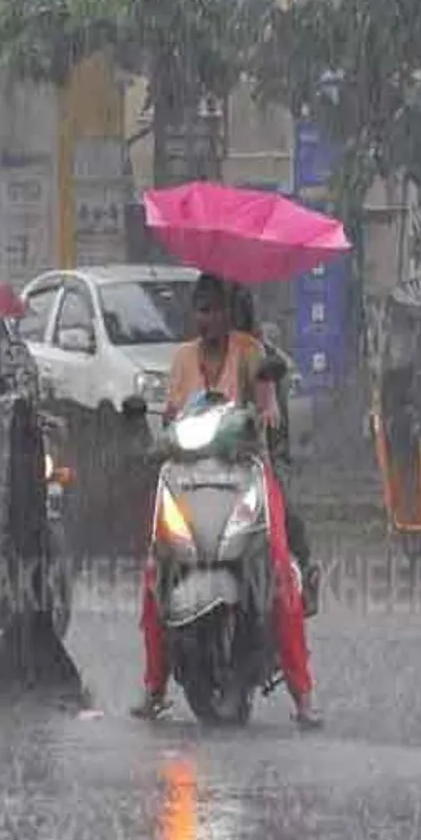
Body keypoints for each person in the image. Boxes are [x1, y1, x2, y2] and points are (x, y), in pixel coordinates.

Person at [131, 273, 322, 729]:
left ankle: (303, 695)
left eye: (215, 309)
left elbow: (269, 403)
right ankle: (154, 687)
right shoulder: (181, 359)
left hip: (246, 472)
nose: (207, 319)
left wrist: (266, 407)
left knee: (280, 572)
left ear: (228, 312)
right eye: (200, 310)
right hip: (191, 476)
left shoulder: (251, 353)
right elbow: (172, 415)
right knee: (157, 571)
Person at [228, 283, 320, 615]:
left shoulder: (265, 358)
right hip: (210, 458)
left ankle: (304, 571)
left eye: (231, 314)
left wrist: (262, 413)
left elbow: (273, 414)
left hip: (258, 454)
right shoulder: (194, 356)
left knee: (283, 506)